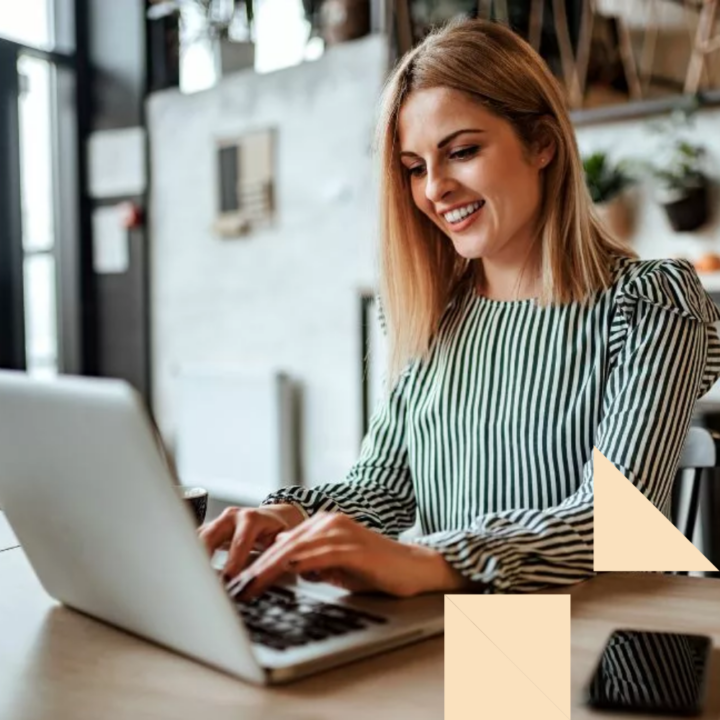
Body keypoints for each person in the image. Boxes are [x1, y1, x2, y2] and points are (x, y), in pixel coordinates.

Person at [200, 18, 720, 596]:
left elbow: (612, 522)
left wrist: (427, 562)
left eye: (462, 152)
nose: (434, 189)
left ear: (543, 144)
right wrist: (291, 519)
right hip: (456, 633)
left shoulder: (648, 302)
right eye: (415, 167)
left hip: (589, 647)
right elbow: (382, 489)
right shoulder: (437, 315)